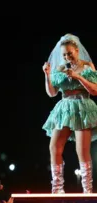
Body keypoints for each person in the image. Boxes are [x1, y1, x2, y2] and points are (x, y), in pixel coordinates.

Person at [42, 33, 97, 193]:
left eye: (69, 53)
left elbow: (94, 90)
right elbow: (52, 93)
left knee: (82, 150)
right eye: (64, 54)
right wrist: (47, 75)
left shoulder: (87, 66)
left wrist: (78, 77)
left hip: (82, 107)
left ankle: (87, 189)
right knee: (54, 147)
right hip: (65, 108)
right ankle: (57, 188)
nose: (67, 57)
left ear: (77, 51)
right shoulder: (60, 69)